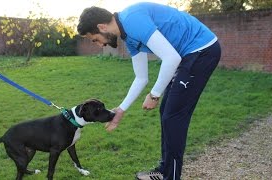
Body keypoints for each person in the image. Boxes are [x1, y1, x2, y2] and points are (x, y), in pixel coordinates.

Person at [77, 2, 221, 180]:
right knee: (166, 112)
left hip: (202, 50)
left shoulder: (132, 20)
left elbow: (171, 58)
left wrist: (154, 95)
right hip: (188, 55)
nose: (99, 45)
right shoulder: (127, 36)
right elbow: (141, 78)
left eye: (95, 39)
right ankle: (164, 170)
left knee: (173, 116)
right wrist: (121, 110)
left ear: (102, 27)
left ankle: (171, 176)